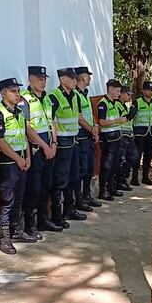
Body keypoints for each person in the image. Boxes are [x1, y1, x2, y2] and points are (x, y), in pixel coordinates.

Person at [0, 78, 35, 255]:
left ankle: (16, 229)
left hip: (21, 161)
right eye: (13, 91)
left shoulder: (19, 111)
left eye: (18, 91)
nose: (17, 95)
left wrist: (28, 157)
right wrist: (18, 158)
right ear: (3, 93)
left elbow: (25, 136)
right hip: (8, 163)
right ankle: (4, 238)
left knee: (19, 197)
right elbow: (0, 141)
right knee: (7, 201)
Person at [20, 66, 61, 235]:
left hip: (49, 149)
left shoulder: (47, 99)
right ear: (30, 79)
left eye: (44, 79)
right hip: (36, 149)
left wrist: (54, 144)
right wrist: (44, 146)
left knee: (47, 185)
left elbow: (52, 122)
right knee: (33, 188)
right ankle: (30, 224)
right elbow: (27, 128)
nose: (43, 82)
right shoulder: (24, 100)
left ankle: (44, 219)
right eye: (39, 79)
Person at [46, 67, 84, 227]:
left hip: (74, 141)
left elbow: (78, 117)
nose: (76, 81)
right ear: (63, 79)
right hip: (61, 143)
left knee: (74, 176)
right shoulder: (54, 97)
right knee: (60, 179)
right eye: (72, 78)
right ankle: (57, 214)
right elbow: (51, 121)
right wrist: (54, 142)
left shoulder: (75, 96)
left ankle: (70, 208)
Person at [73, 66, 101, 212]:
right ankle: (79, 199)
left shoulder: (85, 94)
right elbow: (79, 118)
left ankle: (87, 195)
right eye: (88, 76)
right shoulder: (76, 95)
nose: (89, 78)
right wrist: (91, 129)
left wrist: (95, 126)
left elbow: (90, 114)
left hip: (90, 135)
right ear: (82, 77)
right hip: (82, 136)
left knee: (90, 168)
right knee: (82, 169)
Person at [97, 79, 128, 200]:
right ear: (110, 89)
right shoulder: (103, 103)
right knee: (107, 165)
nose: (119, 93)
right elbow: (102, 121)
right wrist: (117, 121)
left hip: (116, 137)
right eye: (117, 90)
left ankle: (111, 187)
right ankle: (103, 190)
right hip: (108, 139)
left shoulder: (115, 103)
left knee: (115, 164)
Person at [131, 80, 152, 186]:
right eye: (148, 90)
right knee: (137, 155)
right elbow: (131, 115)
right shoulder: (137, 102)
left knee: (148, 155)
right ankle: (134, 177)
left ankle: (146, 176)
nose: (150, 92)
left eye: (151, 90)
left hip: (150, 133)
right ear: (143, 90)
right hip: (140, 133)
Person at [116, 86, 139, 191]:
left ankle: (124, 177)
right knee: (122, 160)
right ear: (121, 94)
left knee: (133, 156)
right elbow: (121, 119)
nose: (130, 97)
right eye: (128, 94)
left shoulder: (124, 105)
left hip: (128, 135)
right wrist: (130, 114)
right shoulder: (117, 105)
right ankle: (120, 181)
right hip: (122, 136)